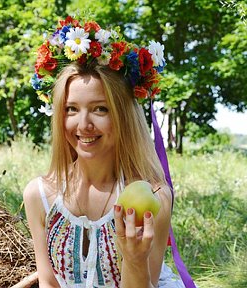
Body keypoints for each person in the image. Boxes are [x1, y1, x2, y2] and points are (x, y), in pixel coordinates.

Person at [24, 15, 185, 288]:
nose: (83, 125)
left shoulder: (153, 197)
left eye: (100, 109)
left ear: (123, 117)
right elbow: (49, 283)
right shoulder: (39, 195)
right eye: (71, 109)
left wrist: (135, 261)